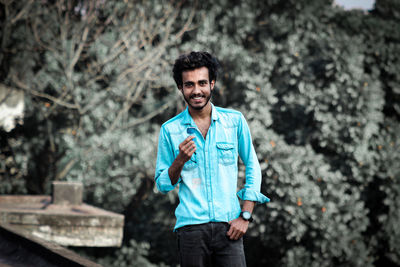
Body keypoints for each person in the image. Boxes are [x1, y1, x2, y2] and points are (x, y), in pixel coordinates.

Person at [154, 51, 270, 267]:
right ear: (180, 87)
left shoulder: (234, 121)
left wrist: (245, 215)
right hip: (190, 231)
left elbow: (253, 165)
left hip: (230, 228)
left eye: (202, 83)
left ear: (212, 84)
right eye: (189, 85)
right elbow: (162, 185)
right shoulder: (170, 130)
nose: (196, 90)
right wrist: (179, 161)